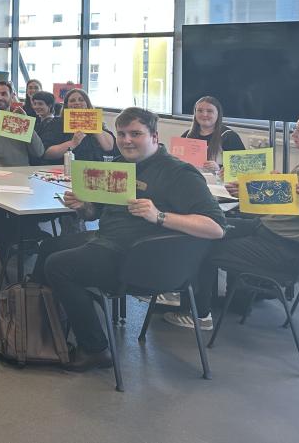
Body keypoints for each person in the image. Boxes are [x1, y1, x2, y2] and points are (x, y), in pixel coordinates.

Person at [33, 107, 226, 371]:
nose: (126, 140)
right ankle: (41, 331)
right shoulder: (120, 166)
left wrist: (159, 216)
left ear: (155, 136)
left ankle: (95, 349)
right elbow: (95, 212)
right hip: (109, 241)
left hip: (142, 260)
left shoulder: (179, 173)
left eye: (136, 134)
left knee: (59, 265)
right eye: (122, 134)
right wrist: (82, 206)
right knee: (49, 247)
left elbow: (216, 227)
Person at [167, 119, 299, 330]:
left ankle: (199, 315)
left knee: (202, 247)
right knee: (207, 227)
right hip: (264, 228)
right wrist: (248, 191)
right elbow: (278, 205)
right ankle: (182, 291)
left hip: (283, 249)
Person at [0, 81, 44, 167]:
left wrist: (26, 123)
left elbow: (39, 152)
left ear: (12, 96)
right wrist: (2, 172)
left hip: (22, 173)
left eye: (4, 94)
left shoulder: (18, 121)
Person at [40, 88, 116, 164]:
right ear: (66, 105)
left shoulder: (98, 123)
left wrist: (93, 125)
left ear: (87, 104)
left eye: (81, 100)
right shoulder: (57, 123)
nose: (77, 103)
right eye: (72, 101)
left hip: (94, 167)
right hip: (65, 167)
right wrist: (73, 143)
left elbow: (109, 147)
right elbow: (47, 153)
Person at [180, 96, 246, 173]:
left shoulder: (229, 136)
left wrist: (219, 168)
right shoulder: (187, 135)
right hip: (192, 180)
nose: (204, 114)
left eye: (209, 111)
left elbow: (242, 169)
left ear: (218, 114)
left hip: (219, 183)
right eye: (200, 111)